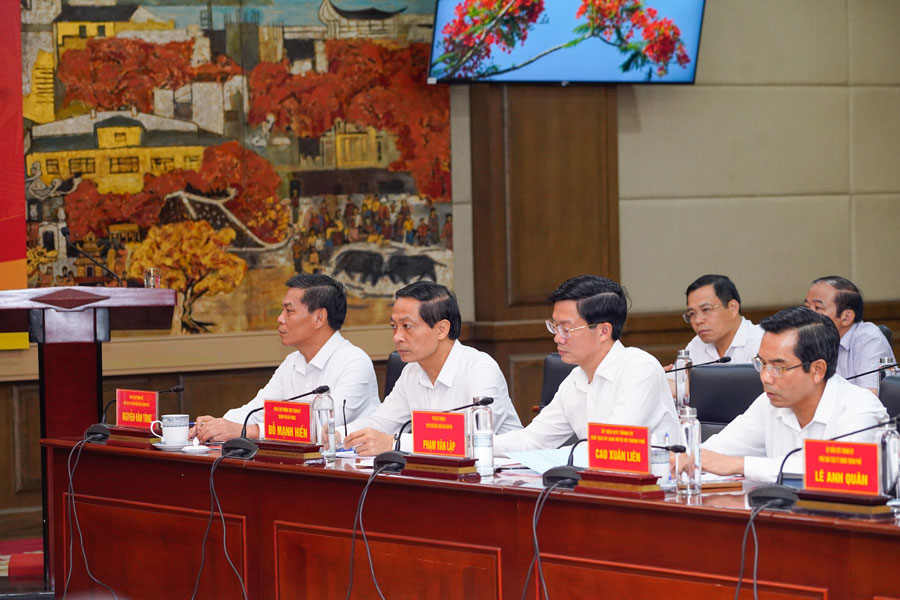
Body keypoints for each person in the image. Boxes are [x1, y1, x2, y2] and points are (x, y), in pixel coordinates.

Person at [696, 307, 888, 482]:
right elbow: (712, 454)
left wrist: (740, 465)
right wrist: (687, 458)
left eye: (778, 367)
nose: (765, 377)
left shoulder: (860, 407)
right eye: (762, 364)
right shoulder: (769, 403)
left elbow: (841, 470)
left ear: (817, 370)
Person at [494, 275, 677, 454]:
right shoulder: (576, 378)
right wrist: (479, 444)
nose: (557, 338)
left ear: (603, 331)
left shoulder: (640, 369)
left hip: (657, 474)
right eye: (555, 327)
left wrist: (554, 456)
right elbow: (532, 440)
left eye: (566, 329)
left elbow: (610, 446)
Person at [192, 274, 379, 442]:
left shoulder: (355, 363)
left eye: (289, 311)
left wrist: (248, 431)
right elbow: (257, 410)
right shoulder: (292, 362)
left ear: (319, 317)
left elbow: (322, 427)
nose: (280, 319)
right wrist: (217, 425)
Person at [343, 281, 522, 455]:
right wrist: (336, 435)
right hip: (438, 470)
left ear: (442, 329)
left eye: (407, 326)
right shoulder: (411, 371)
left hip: (499, 471)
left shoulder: (481, 369)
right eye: (394, 326)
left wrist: (395, 443)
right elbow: (382, 422)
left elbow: (474, 439)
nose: (397, 337)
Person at [666, 274, 764, 395]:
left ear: (733, 308)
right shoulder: (697, 344)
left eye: (706, 309)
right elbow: (673, 383)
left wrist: (689, 389)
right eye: (692, 313)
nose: (698, 320)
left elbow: (750, 392)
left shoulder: (760, 341)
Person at [804, 276, 894, 391]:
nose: (807, 315)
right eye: (807, 307)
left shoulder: (870, 340)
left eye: (817, 308)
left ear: (846, 317)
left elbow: (871, 395)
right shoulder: (805, 339)